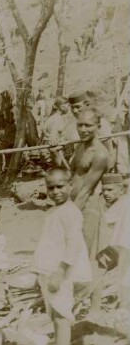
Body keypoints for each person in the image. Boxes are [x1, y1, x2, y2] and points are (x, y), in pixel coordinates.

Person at [33, 168, 92, 345]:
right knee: (55, 317)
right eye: (51, 187)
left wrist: (60, 270)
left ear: (70, 186)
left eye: (60, 186)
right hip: (51, 271)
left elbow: (73, 243)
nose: (56, 191)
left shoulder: (70, 212)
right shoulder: (56, 211)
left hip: (63, 273)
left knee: (61, 317)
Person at [70, 107, 112, 262]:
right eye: (79, 125)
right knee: (70, 251)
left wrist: (69, 214)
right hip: (74, 204)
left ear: (98, 126)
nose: (83, 129)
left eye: (88, 125)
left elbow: (86, 190)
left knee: (83, 256)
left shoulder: (100, 154)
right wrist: (55, 153)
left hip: (88, 208)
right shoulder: (80, 147)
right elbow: (70, 175)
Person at [88, 173, 130, 317]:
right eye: (104, 190)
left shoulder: (123, 203)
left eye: (110, 190)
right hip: (119, 247)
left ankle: (95, 311)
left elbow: (104, 221)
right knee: (98, 269)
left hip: (125, 248)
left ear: (121, 189)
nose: (106, 193)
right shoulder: (120, 202)